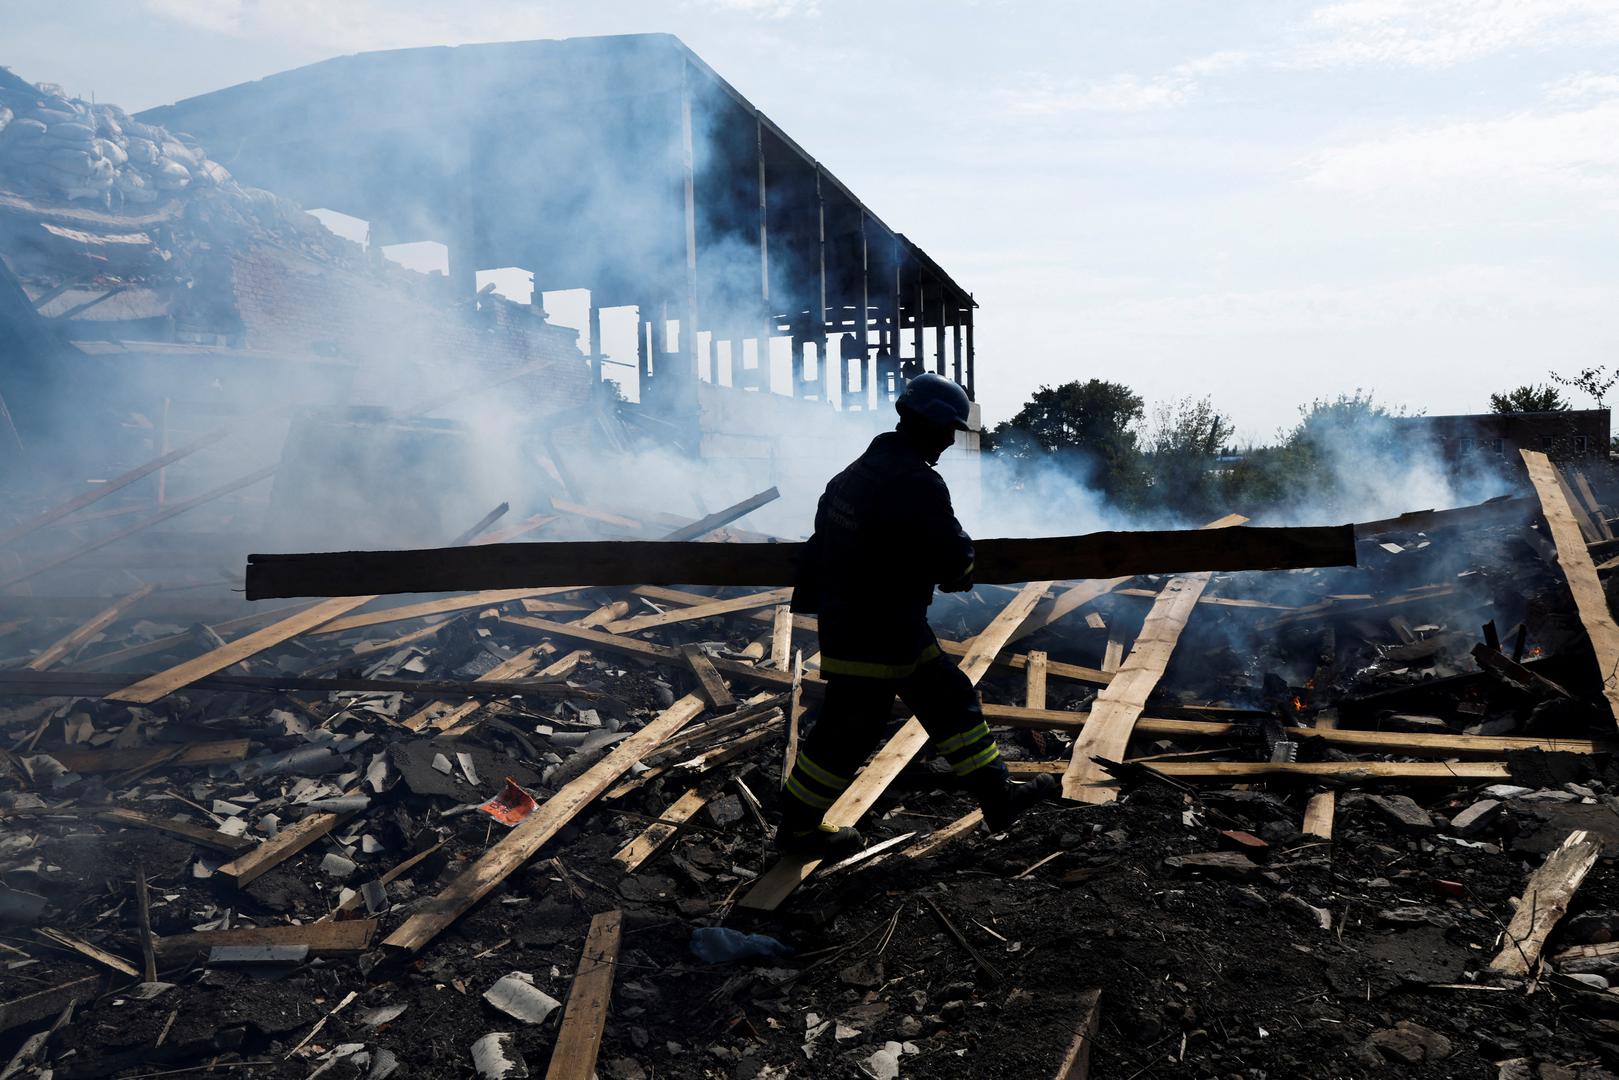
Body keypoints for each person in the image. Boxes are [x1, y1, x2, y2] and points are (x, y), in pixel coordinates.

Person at [779, 373, 1058, 858]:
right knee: (849, 733)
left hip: (861, 622)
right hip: (879, 630)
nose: (951, 439)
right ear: (927, 423)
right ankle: (797, 831)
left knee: (950, 701)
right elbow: (955, 560)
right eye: (948, 428)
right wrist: (963, 564)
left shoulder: (857, 472)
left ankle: (999, 800)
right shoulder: (917, 483)